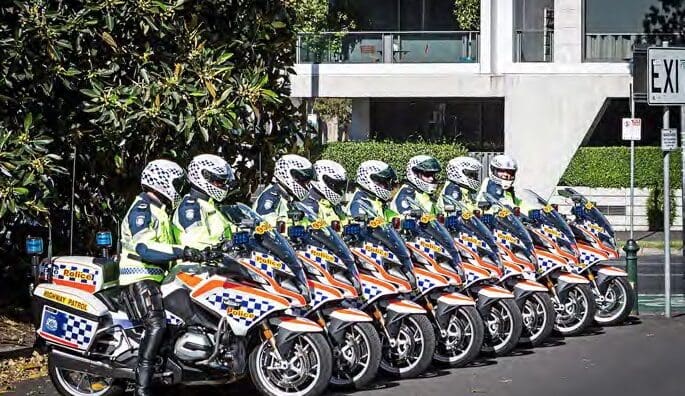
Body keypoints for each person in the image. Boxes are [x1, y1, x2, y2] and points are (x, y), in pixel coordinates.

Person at [119, 159, 202, 396]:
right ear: (162, 182)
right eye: (175, 183)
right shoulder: (142, 209)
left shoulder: (161, 211)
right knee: (157, 325)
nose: (178, 188)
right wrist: (181, 251)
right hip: (138, 278)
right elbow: (145, 248)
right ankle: (141, 388)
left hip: (159, 279)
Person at [173, 154, 237, 249]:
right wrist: (226, 245)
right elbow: (198, 243)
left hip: (221, 260)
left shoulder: (208, 204)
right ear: (205, 177)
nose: (224, 186)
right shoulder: (190, 207)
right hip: (197, 263)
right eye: (220, 182)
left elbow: (229, 229)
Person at [253, 154, 315, 226]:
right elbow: (266, 221)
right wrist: (289, 217)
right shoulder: (270, 195)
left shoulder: (288, 196)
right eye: (303, 180)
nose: (306, 185)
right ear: (288, 175)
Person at [301, 159, 349, 224]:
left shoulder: (335, 205)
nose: (340, 190)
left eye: (341, 186)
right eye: (336, 185)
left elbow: (345, 223)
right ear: (321, 180)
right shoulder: (309, 205)